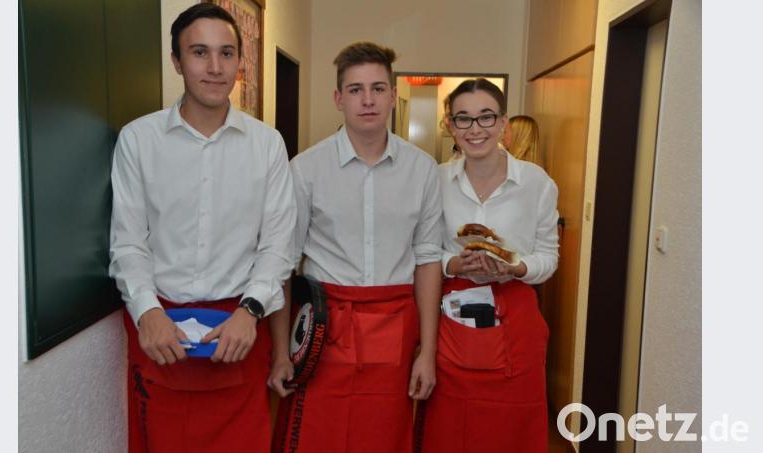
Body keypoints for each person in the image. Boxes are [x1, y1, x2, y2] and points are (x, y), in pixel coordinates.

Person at [108, 4, 296, 452]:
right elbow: (128, 241)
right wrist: (147, 313)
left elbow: (277, 245)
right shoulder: (139, 140)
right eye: (199, 52)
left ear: (240, 62)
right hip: (159, 333)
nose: (215, 67)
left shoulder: (267, 145)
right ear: (177, 61)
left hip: (238, 330)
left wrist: (250, 312)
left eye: (227, 53)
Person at [271, 41, 443, 453]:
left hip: (395, 325)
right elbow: (281, 264)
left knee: (382, 435)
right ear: (338, 98)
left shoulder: (422, 169)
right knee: (319, 436)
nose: (368, 100)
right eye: (355, 90)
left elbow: (429, 259)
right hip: (324, 326)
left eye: (378, 88)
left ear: (392, 96)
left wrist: (429, 352)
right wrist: (279, 352)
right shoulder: (306, 170)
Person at [414, 79, 559, 453]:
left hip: (516, 313)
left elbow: (548, 256)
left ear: (502, 124)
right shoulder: (437, 179)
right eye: (463, 119)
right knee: (451, 427)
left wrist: (517, 268)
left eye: (485, 117)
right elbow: (423, 249)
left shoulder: (535, 182)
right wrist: (454, 262)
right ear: (449, 124)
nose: (475, 129)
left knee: (512, 429)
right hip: (452, 315)